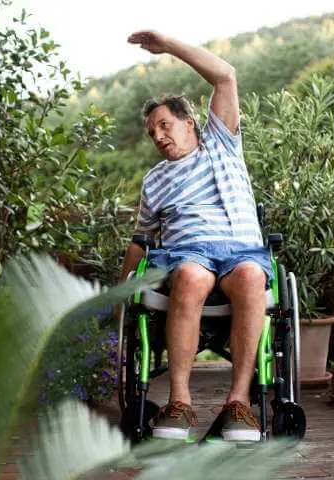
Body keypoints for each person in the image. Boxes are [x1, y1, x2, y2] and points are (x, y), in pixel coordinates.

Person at [121, 30, 271, 442]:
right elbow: (141, 238)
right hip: (189, 255)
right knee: (188, 276)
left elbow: (225, 76)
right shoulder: (155, 180)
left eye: (165, 125)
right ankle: (180, 403)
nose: (159, 136)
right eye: (152, 133)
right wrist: (120, 290)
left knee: (252, 277)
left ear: (191, 124)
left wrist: (168, 45)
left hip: (242, 251)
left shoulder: (221, 145)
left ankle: (238, 403)